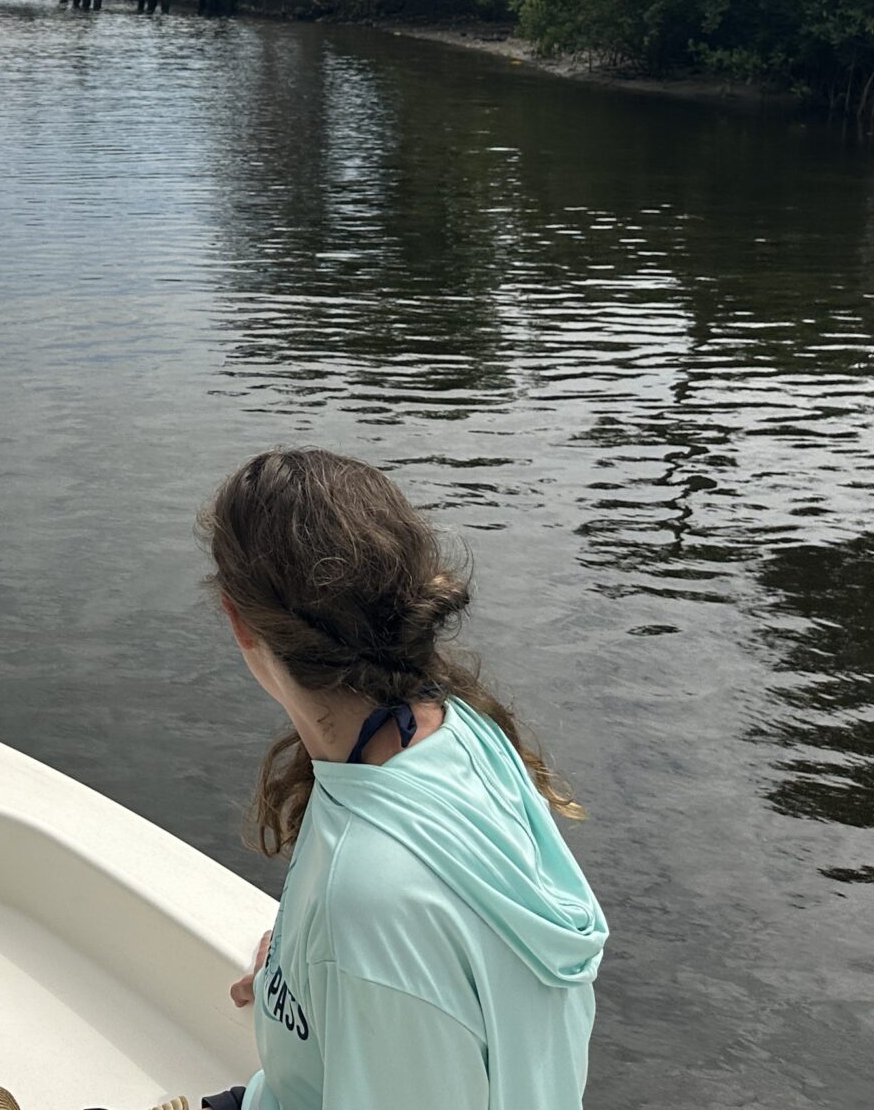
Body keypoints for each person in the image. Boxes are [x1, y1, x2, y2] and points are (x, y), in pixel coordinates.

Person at [201, 449, 607, 1110]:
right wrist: (301, 966)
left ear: (236, 619)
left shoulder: (373, 900)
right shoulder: (458, 731)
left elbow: (397, 918)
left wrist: (356, 959)